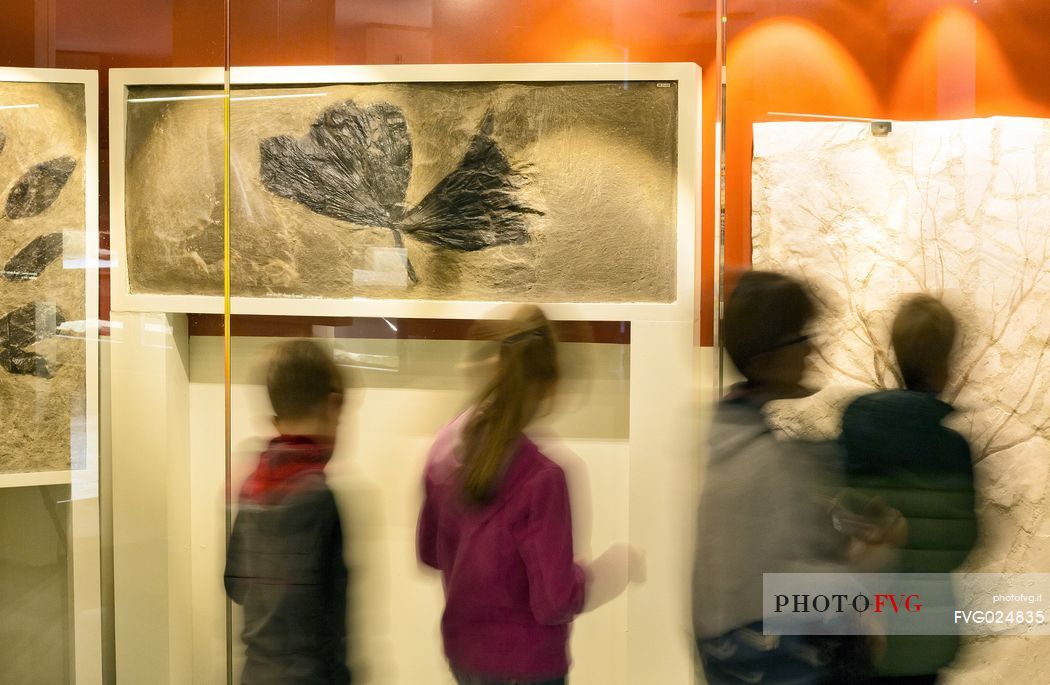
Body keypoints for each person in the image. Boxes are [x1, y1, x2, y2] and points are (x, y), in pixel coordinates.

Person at [417, 305, 638, 685]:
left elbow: (429, 553)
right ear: (551, 385)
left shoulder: (445, 445)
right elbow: (555, 602)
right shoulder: (543, 478)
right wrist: (607, 571)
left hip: (464, 656)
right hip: (528, 665)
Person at [692, 270, 870, 685]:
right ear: (766, 355)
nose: (811, 349)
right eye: (800, 336)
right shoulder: (764, 459)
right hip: (776, 660)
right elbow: (786, 584)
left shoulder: (730, 438)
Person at [840, 294, 978, 685]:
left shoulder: (856, 426)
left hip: (861, 624)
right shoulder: (950, 448)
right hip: (922, 635)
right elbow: (961, 540)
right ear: (943, 364)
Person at [224, 339, 352, 685]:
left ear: (277, 421)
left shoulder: (253, 486)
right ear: (333, 407)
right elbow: (331, 618)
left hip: (257, 672)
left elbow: (234, 585)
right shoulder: (319, 497)